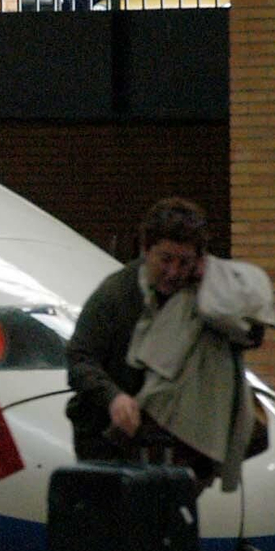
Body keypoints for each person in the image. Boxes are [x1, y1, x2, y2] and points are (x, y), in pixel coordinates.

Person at [66, 197, 230, 483]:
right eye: (165, 259)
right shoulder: (114, 295)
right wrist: (113, 398)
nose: (174, 272)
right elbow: (79, 359)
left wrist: (216, 285)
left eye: (185, 262)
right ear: (145, 250)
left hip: (173, 444)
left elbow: (249, 332)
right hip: (106, 444)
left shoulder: (200, 294)